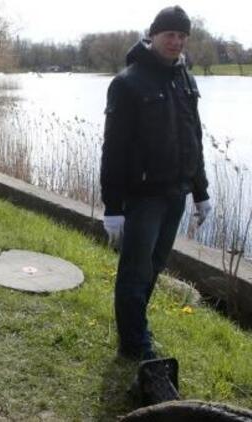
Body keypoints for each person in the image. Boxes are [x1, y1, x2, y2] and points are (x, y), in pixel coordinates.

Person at [101, 5, 212, 361]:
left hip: (176, 193)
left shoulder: (186, 79)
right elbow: (113, 150)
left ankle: (137, 329)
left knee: (154, 267)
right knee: (134, 270)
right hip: (143, 197)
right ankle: (134, 345)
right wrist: (113, 207)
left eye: (182, 36)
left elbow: (192, 138)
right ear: (153, 35)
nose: (176, 42)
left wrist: (201, 192)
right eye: (170, 35)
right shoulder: (127, 83)